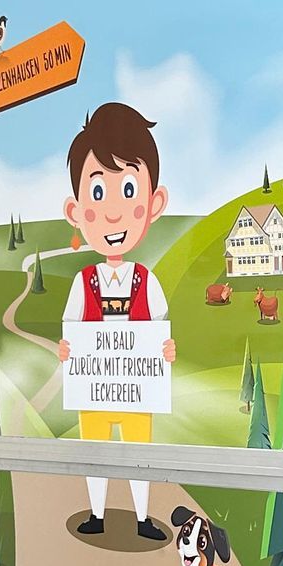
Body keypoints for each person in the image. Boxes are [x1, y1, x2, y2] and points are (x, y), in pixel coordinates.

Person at [56, 102, 176, 542]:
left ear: (153, 203)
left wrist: (166, 352)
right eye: (98, 193)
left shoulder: (146, 280)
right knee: (95, 451)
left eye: (128, 191)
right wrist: (66, 352)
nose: (112, 214)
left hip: (136, 388)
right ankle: (98, 513)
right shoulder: (83, 281)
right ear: (76, 210)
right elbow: (71, 331)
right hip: (96, 388)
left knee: (138, 451)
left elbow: (160, 326)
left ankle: (144, 518)